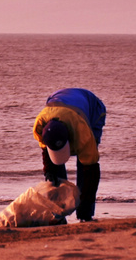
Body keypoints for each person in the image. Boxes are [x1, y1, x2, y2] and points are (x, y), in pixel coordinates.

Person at [33, 88, 106, 222]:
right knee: (53, 169)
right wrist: (51, 179)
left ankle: (85, 214)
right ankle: (58, 211)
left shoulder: (82, 131)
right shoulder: (39, 126)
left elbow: (92, 170)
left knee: (85, 162)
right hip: (56, 99)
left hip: (93, 108)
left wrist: (85, 206)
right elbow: (47, 160)